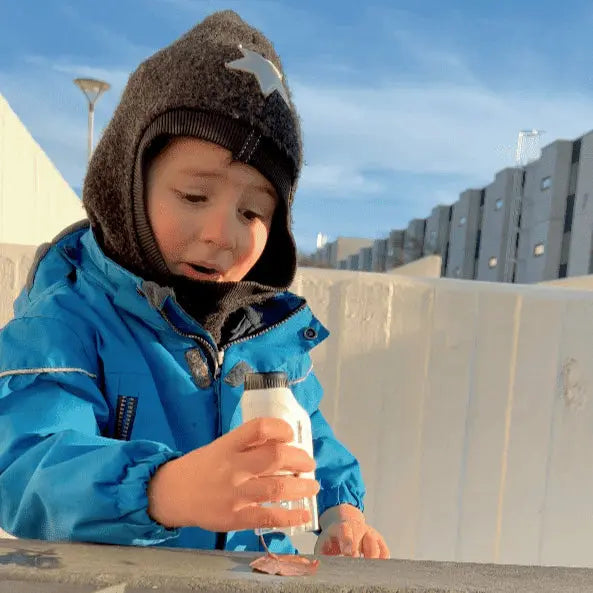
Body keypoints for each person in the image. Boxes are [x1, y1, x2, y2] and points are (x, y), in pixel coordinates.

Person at [0, 10, 389, 559]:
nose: (220, 234)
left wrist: (340, 508)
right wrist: (161, 491)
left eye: (252, 211)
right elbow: (28, 463)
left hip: (253, 571)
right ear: (128, 186)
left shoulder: (265, 330)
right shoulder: (68, 319)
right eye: (194, 197)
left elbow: (308, 436)